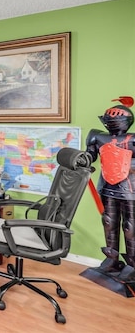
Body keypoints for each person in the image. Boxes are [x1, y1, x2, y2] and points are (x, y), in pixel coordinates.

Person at [86, 96, 135, 282]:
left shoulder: (132, 139)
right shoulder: (98, 136)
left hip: (130, 187)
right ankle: (111, 258)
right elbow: (90, 155)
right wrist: (83, 161)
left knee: (130, 227)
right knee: (108, 222)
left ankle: (132, 264)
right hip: (107, 186)